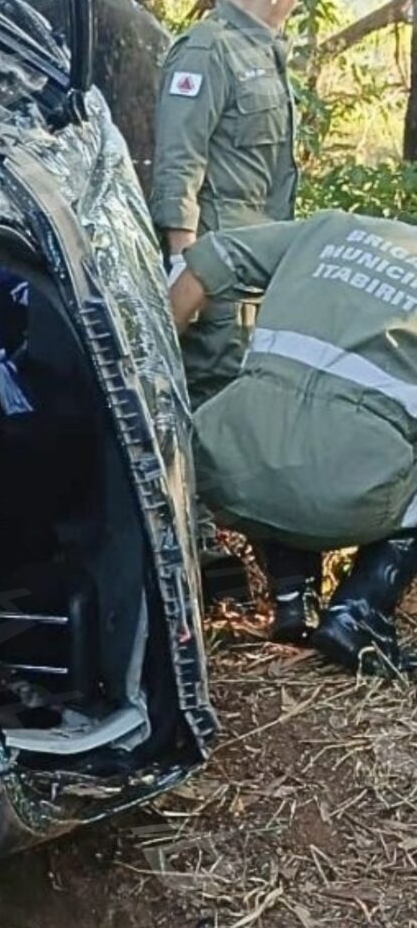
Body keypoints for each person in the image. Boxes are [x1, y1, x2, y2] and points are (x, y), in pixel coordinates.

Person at [151, 0, 326, 638]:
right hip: (217, 278)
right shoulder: (209, 49)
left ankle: (283, 590)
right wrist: (181, 274)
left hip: (261, 279)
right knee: (225, 425)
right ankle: (256, 585)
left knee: (257, 420)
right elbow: (179, 167)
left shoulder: (268, 53)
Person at [168, 211, 417, 672]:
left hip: (223, 471)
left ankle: (292, 595)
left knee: (288, 428)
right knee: (338, 448)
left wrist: (152, 375)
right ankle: (358, 612)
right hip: (342, 498)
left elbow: (205, 262)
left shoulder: (329, 230)